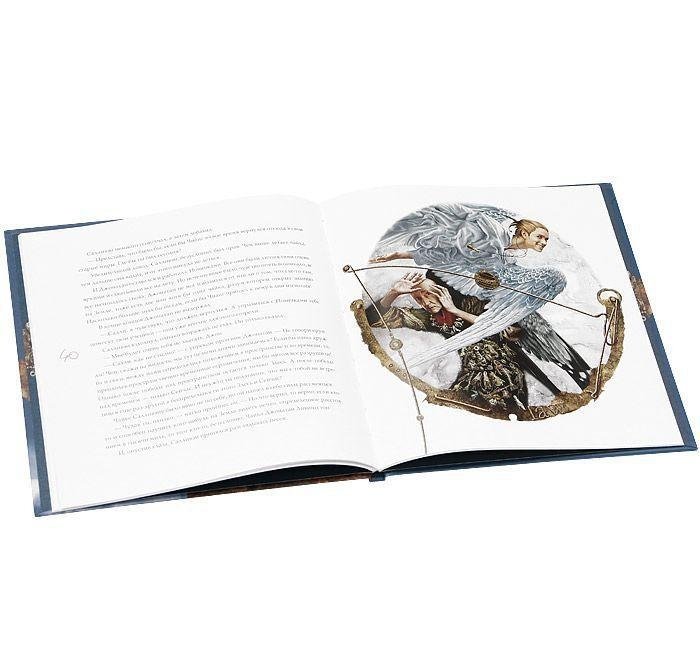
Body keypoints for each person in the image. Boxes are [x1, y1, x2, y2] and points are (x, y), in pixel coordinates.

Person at [366, 272, 527, 412]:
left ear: (442, 290)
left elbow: (512, 331)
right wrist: (393, 293)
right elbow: (372, 319)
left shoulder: (472, 301)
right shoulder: (428, 318)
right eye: (419, 299)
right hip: (470, 372)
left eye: (428, 294)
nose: (425, 302)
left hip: (501, 370)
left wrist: (455, 311)